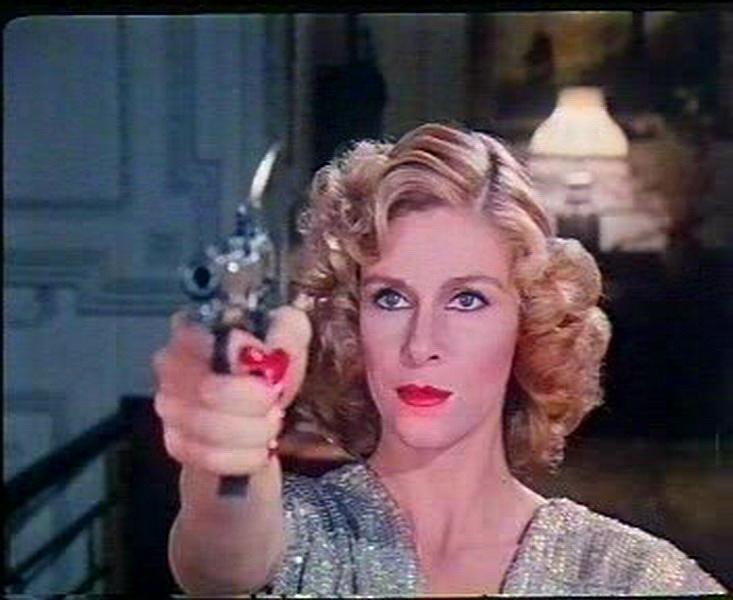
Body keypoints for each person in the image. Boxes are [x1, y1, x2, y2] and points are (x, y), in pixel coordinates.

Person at [153, 123, 725, 595]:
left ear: (526, 325)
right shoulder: (295, 536)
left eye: (467, 300)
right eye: (391, 299)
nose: (421, 343)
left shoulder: (625, 575)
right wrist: (225, 458)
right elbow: (220, 562)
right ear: (353, 322)